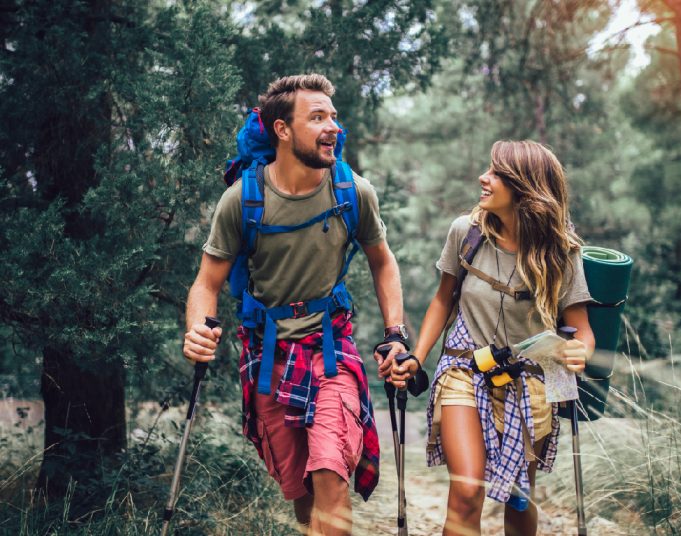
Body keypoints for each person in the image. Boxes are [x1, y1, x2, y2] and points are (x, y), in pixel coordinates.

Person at [183, 74, 408, 535]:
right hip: (267, 353)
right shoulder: (243, 201)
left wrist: (395, 334)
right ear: (282, 130)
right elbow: (206, 282)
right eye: (318, 117)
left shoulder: (352, 192)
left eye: (334, 117)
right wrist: (197, 330)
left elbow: (383, 262)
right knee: (302, 495)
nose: (333, 128)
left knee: (330, 473)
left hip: (330, 349)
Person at [390, 140, 595, 536]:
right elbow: (442, 300)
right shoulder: (465, 232)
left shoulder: (561, 252)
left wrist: (578, 352)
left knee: (521, 496)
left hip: (529, 382)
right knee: (467, 490)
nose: (484, 179)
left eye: (496, 174)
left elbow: (580, 328)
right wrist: (417, 356)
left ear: (525, 188)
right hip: (464, 367)